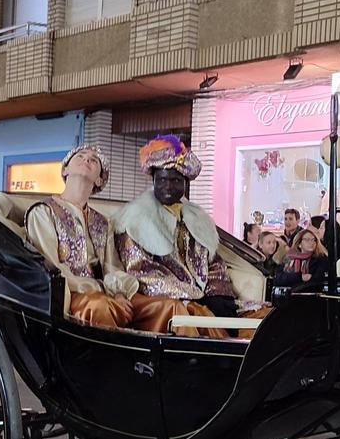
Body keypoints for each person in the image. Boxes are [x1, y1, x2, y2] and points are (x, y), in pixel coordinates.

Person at [114, 135, 264, 337]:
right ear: (154, 181)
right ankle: (225, 361)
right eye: (163, 180)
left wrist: (218, 293)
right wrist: (193, 295)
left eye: (175, 181)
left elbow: (213, 263)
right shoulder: (135, 220)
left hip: (202, 296)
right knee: (201, 316)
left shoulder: (197, 220)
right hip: (164, 299)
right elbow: (141, 272)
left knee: (261, 315)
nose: (168, 186)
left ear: (185, 184)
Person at [25, 145, 138, 329]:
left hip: (103, 294)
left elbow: (111, 266)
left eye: (94, 160)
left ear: (100, 180)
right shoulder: (43, 212)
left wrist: (118, 293)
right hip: (68, 295)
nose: (87, 159)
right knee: (99, 307)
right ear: (65, 169)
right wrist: (98, 288)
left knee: (152, 307)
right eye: (80, 156)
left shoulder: (102, 222)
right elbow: (50, 267)